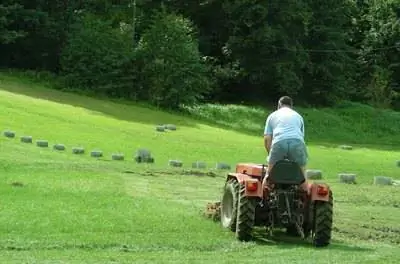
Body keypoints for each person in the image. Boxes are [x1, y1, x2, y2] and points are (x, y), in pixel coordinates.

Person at [263, 96, 308, 181]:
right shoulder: (298, 116)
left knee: (269, 176)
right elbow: (301, 137)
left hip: (279, 141)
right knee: (302, 177)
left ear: (279, 105)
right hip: (297, 142)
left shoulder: (272, 115)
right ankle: (305, 189)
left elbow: (267, 138)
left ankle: (263, 190)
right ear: (291, 106)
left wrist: (271, 155)